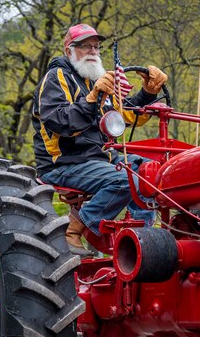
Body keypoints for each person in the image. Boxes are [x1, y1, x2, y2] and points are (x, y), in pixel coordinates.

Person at [31, 23, 167, 253]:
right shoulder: (56, 77)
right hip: (64, 163)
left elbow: (119, 117)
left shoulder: (95, 81)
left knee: (152, 172)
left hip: (100, 158)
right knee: (125, 179)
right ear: (69, 51)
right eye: (86, 46)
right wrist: (91, 99)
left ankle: (143, 239)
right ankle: (75, 229)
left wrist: (148, 94)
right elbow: (60, 122)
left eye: (96, 47)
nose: (93, 51)